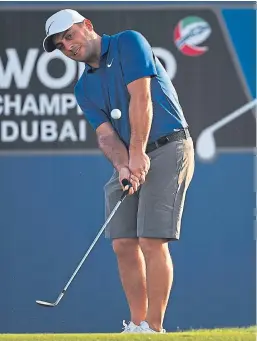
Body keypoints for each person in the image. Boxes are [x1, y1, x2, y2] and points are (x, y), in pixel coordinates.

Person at [43, 9, 195, 334]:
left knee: (151, 240)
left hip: (168, 146)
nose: (67, 46)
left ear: (87, 26)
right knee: (123, 243)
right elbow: (105, 135)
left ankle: (154, 329)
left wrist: (137, 153)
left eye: (69, 36)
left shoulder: (129, 43)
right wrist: (124, 165)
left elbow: (141, 100)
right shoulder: (83, 88)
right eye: (60, 45)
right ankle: (137, 325)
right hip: (131, 155)